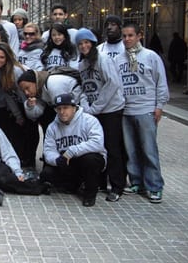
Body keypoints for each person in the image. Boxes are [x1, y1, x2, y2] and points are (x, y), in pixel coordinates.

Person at [116, 23, 169, 203]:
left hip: (146, 109)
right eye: (124, 36)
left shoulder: (151, 56)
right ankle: (136, 181)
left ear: (139, 36)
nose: (127, 39)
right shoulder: (119, 59)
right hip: (126, 110)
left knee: (148, 150)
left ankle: (154, 186)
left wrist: (159, 106)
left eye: (131, 35)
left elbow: (160, 81)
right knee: (131, 150)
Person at [75, 28, 126, 202]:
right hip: (93, 109)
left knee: (112, 148)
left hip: (110, 109)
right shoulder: (82, 65)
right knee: (97, 147)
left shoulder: (103, 59)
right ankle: (100, 182)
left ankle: (117, 186)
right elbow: (83, 87)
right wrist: (85, 105)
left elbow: (112, 84)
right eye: (80, 44)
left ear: (93, 43)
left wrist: (96, 107)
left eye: (86, 42)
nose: (83, 46)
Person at [40, 93, 107, 207]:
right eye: (59, 108)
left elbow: (97, 143)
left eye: (66, 108)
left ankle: (90, 193)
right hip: (69, 162)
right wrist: (57, 160)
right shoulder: (52, 126)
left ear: (74, 108)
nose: (62, 112)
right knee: (47, 173)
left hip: (90, 160)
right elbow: (48, 150)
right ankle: (73, 184)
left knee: (90, 159)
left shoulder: (89, 120)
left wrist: (72, 151)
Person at [0, 105, 50, 195]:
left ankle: (37, 187)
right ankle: (21, 184)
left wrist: (17, 170)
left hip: (1, 162)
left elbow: (7, 152)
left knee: (0, 178)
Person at [0, 42, 34, 169]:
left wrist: (28, 113)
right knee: (17, 134)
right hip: (15, 104)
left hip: (27, 102)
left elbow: (24, 94)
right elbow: (7, 95)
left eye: (1, 57)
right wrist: (18, 116)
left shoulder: (16, 71)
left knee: (30, 134)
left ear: (8, 57)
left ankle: (30, 163)